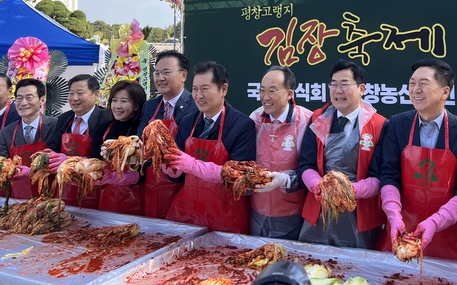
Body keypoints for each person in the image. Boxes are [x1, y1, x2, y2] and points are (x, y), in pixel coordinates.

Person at [376, 59, 457, 261]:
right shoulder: (397, 125)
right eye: (412, 83)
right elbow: (389, 175)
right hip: (403, 231)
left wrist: (436, 221)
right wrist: (393, 215)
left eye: (423, 83)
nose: (415, 90)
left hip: (451, 235)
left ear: (445, 92)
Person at [297, 59, 388, 249]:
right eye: (334, 84)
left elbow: (380, 177)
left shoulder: (379, 125)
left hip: (360, 215)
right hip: (319, 208)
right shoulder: (317, 119)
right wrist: (320, 187)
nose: (338, 90)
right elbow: (306, 165)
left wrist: (347, 192)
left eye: (345, 84)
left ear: (362, 88)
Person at [164, 61, 256, 233]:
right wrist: (167, 164)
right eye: (195, 89)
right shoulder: (187, 121)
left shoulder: (242, 125)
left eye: (205, 89)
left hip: (226, 215)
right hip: (188, 211)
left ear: (224, 90)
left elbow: (238, 178)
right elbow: (177, 176)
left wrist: (192, 165)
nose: (199, 95)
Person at [249, 66, 312, 240]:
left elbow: (312, 170)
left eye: (272, 91)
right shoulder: (254, 119)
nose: (265, 97)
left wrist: (283, 179)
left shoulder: (307, 121)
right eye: (262, 90)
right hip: (257, 211)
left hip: (293, 213)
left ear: (289, 93)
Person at [137, 50, 197, 218]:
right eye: (157, 73)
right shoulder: (149, 106)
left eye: (166, 72)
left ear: (183, 75)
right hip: (152, 182)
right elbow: (141, 137)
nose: (160, 78)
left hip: (183, 184)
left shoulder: (196, 105)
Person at [48, 74, 109, 208]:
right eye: (71, 93)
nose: (74, 98)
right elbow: (54, 146)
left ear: (96, 94)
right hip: (64, 187)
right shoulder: (64, 118)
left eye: (80, 93)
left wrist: (69, 161)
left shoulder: (106, 119)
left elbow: (101, 158)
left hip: (94, 188)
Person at [0, 78, 60, 199]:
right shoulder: (6, 132)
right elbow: (1, 162)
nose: (23, 103)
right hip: (18, 195)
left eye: (29, 98)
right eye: (19, 98)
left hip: (50, 195)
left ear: (42, 99)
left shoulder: (56, 125)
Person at [93, 80, 147, 215]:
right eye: (114, 100)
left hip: (135, 197)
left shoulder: (141, 129)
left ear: (136, 105)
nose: (117, 106)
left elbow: (144, 170)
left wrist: (123, 176)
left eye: (124, 101)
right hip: (106, 195)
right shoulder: (104, 127)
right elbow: (94, 159)